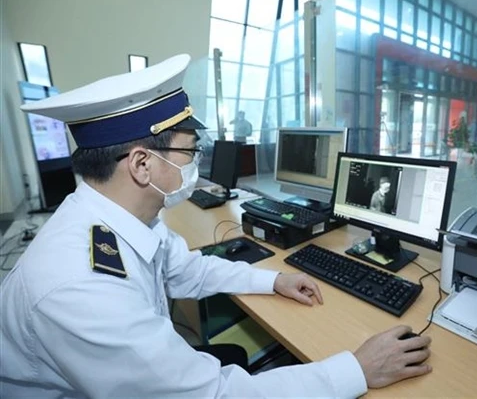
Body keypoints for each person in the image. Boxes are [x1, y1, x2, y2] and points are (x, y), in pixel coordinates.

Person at [0, 55, 432, 398]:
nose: (196, 163)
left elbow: (188, 270)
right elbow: (216, 395)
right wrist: (357, 369)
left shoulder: (124, 221)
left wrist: (275, 279)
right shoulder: (81, 288)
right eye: (190, 151)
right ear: (142, 164)